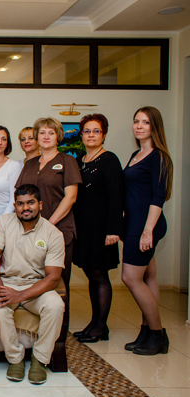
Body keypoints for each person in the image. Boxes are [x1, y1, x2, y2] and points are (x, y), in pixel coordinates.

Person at [0, 184, 65, 385]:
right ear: (15, 206)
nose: (25, 208)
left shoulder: (53, 234)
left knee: (56, 305)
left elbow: (53, 277)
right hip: (7, 283)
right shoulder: (4, 222)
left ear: (40, 204)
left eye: (30, 203)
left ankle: (40, 359)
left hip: (38, 288)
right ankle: (15, 359)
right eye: (20, 204)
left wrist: (20, 295)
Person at [121, 106, 173, 356]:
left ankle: (157, 334)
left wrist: (147, 231)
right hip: (134, 223)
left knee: (130, 278)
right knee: (148, 277)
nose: (139, 126)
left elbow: (158, 196)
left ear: (155, 126)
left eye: (145, 122)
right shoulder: (136, 154)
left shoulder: (158, 157)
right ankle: (146, 331)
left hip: (145, 225)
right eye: (136, 121)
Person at [72, 114, 124, 343]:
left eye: (96, 131)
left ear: (104, 134)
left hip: (102, 229)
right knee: (91, 275)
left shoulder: (109, 160)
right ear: (81, 134)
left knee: (99, 275)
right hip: (84, 228)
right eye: (87, 131)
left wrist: (114, 230)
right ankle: (95, 324)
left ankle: (101, 327)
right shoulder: (80, 160)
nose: (91, 135)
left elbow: (117, 197)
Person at [15, 117, 82, 293]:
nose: (46, 136)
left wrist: (47, 225)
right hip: (29, 232)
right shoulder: (30, 164)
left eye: (51, 133)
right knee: (31, 280)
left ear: (58, 136)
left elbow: (71, 197)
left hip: (58, 230)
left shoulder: (67, 161)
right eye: (42, 133)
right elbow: (20, 196)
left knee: (59, 286)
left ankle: (62, 314)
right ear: (37, 136)